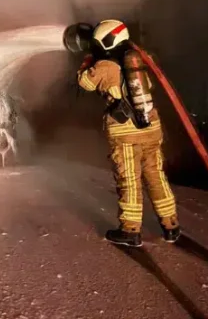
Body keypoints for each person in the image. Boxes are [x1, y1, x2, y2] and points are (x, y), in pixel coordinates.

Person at [76, 19, 181, 247]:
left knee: (129, 179)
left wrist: (87, 62)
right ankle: (171, 225)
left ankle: (130, 230)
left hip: (126, 131)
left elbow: (85, 83)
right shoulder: (142, 58)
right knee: (155, 175)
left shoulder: (105, 65)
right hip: (151, 125)